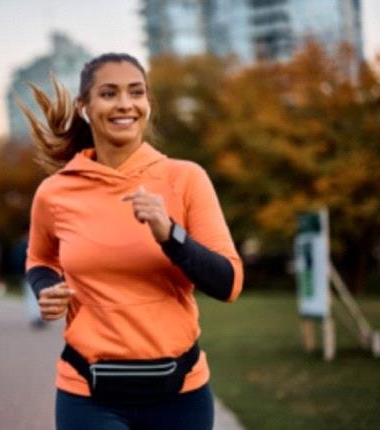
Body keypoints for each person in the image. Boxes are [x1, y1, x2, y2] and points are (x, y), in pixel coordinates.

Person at [21, 53, 243, 429]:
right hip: (88, 394)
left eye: (136, 93)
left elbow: (228, 283)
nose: (125, 104)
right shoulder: (54, 193)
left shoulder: (185, 178)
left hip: (180, 394)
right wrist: (47, 287)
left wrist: (170, 235)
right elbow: (39, 259)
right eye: (109, 93)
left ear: (148, 105)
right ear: (85, 107)